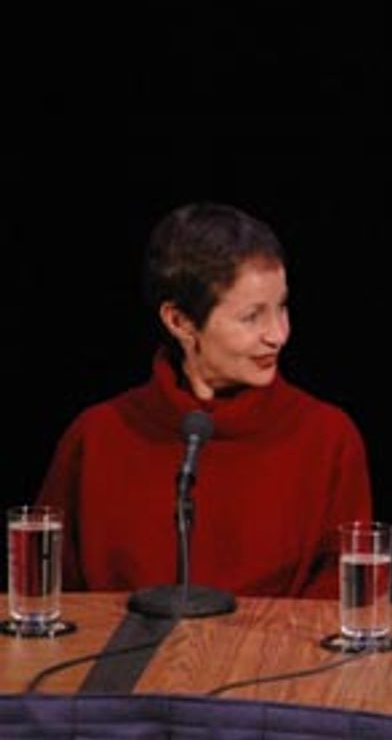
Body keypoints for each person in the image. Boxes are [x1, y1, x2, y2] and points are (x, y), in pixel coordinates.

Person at [36, 202, 372, 598]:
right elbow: (50, 601)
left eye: (282, 308)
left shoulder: (327, 436)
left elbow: (346, 608)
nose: (278, 335)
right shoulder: (96, 437)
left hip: (282, 659)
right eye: (252, 317)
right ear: (179, 321)